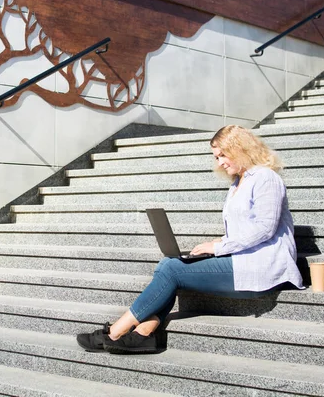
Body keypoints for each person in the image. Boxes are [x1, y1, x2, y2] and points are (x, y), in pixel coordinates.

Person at [76, 124, 304, 354]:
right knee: (169, 264)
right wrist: (214, 244)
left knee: (172, 269)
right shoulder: (237, 184)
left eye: (223, 155)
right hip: (242, 260)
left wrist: (218, 247)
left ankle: (115, 332)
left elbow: (265, 228)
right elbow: (243, 230)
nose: (220, 163)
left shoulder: (265, 178)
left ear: (240, 148)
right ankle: (144, 332)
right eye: (216, 157)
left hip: (262, 267)